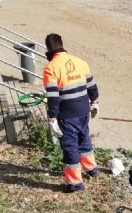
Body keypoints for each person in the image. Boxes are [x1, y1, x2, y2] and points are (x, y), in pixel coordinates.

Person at [43, 33, 100, 192]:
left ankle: (75, 183)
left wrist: (52, 117)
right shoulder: (80, 62)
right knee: (84, 138)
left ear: (48, 48)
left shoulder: (51, 68)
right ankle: (91, 169)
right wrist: (94, 101)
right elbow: (92, 86)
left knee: (70, 147)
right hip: (83, 110)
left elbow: (53, 96)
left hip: (67, 115)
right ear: (62, 44)